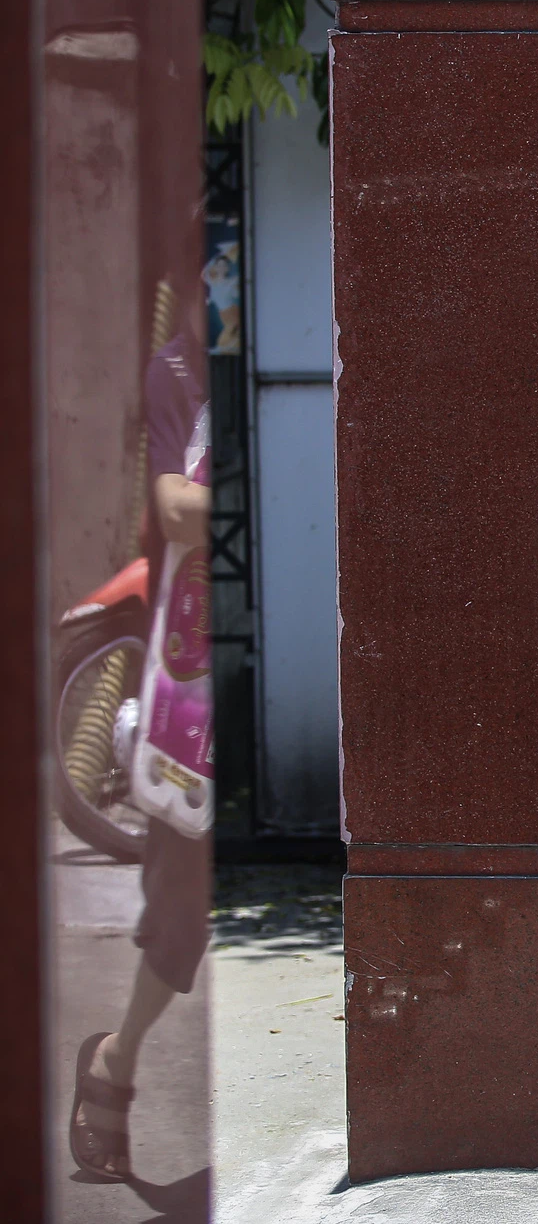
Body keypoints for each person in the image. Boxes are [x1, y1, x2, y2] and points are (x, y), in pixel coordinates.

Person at [68, 324, 211, 1182]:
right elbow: (173, 506)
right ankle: (115, 1062)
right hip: (198, 686)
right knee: (180, 913)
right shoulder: (182, 369)